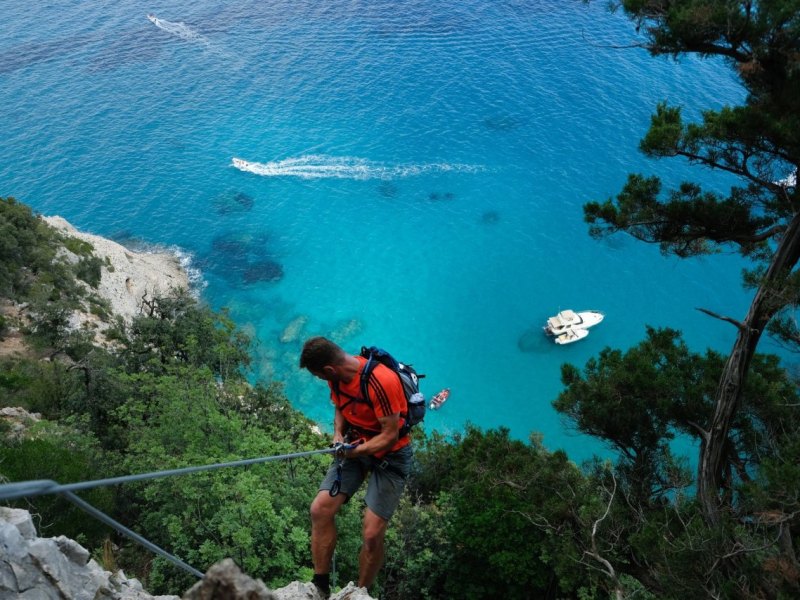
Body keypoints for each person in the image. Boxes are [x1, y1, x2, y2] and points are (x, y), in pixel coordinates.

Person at [300, 336, 413, 597]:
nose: (321, 380)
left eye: (319, 376)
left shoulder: (381, 381)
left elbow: (390, 435)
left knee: (372, 534)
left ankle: (360, 591)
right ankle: (321, 585)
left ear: (329, 369)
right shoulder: (336, 377)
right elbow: (341, 405)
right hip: (354, 444)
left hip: (391, 456)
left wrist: (355, 452)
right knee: (319, 510)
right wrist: (338, 434)